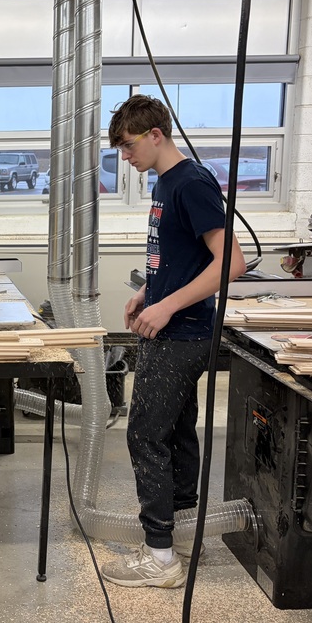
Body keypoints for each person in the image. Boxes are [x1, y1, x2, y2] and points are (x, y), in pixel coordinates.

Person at [100, 95, 246, 589]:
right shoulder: (165, 183)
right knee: (177, 433)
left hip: (182, 334)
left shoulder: (191, 182)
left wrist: (167, 307)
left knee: (144, 435)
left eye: (128, 144)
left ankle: (158, 557)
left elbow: (231, 263)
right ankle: (182, 536)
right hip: (169, 324)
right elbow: (180, 256)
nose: (125, 156)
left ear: (155, 135)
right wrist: (148, 292)